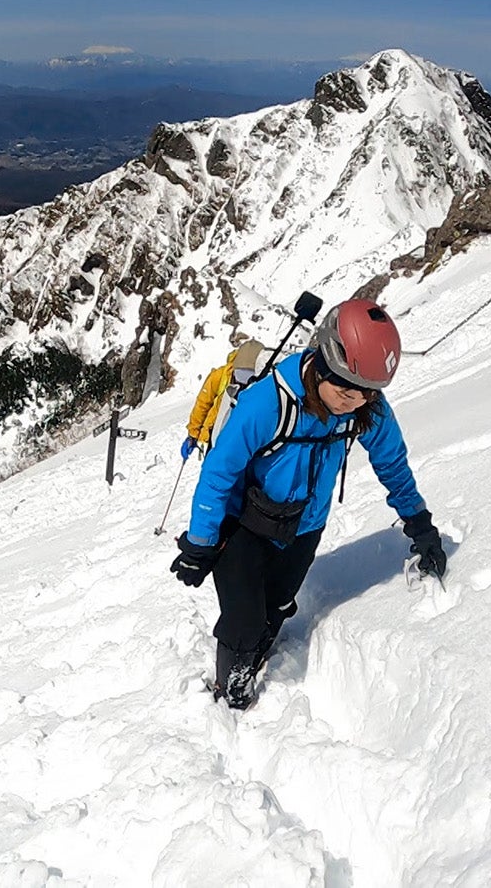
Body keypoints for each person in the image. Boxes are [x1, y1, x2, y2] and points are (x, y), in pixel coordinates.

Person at [168, 299, 446, 710]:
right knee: (243, 622)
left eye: (367, 393)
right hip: (242, 524)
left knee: (278, 606)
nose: (354, 401)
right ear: (323, 363)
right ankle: (231, 695)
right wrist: (200, 543)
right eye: (346, 389)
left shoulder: (365, 407)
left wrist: (420, 525)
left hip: (304, 528)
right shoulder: (268, 403)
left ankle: (257, 657)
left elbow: (392, 464)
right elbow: (219, 471)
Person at [180, 339, 266, 461]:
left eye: (248, 379)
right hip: (216, 436)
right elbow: (203, 403)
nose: (242, 384)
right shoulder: (221, 375)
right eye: (239, 376)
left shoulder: (268, 384)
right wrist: (193, 434)